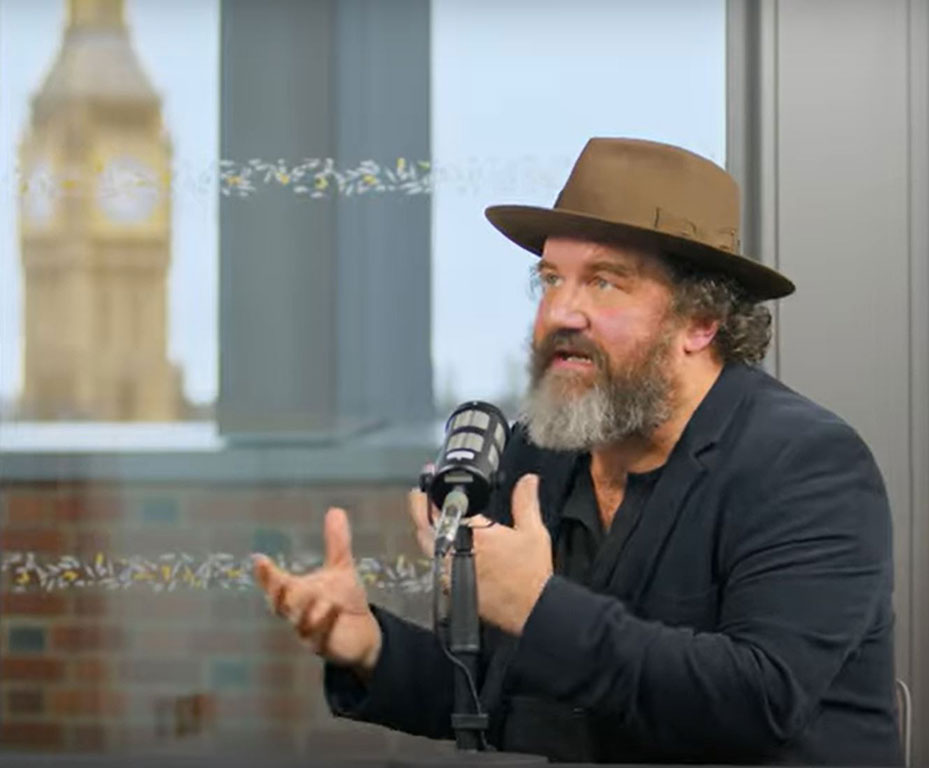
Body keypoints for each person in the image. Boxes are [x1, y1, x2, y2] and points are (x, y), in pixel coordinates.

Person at [252, 138, 902, 765]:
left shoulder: (806, 465)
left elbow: (756, 701)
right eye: (550, 281)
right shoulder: (539, 454)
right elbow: (505, 695)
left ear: (700, 323)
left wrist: (535, 607)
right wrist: (370, 647)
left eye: (604, 283)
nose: (561, 312)